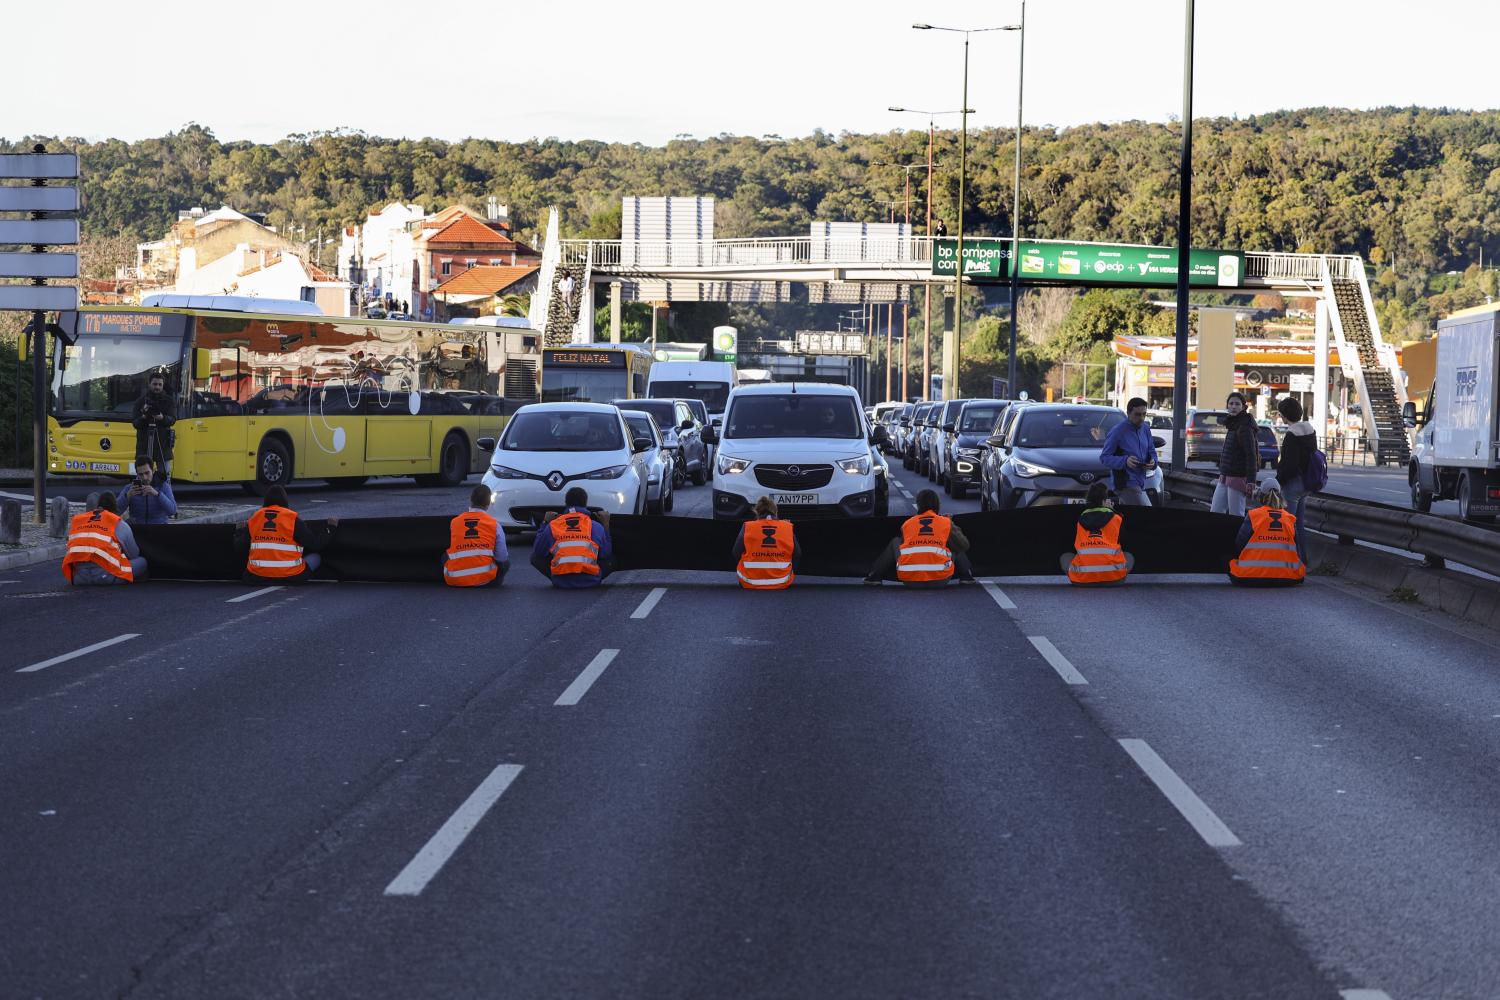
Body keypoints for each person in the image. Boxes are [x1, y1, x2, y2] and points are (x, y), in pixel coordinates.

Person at [863, 489, 975, 586]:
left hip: (909, 579)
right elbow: (964, 545)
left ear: (918, 505)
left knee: (895, 542)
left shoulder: (908, 524)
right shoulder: (945, 522)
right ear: (938, 505)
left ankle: (875, 576)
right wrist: (951, 525)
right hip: (940, 579)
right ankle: (966, 576)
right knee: (952, 541)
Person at [235, 486, 338, 583]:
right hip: (291, 576)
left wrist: (239, 530)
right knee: (316, 557)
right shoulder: (292, 519)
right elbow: (316, 544)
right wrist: (331, 528)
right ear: (285, 500)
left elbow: (240, 547)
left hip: (256, 577)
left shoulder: (255, 518)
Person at [531, 487, 613, 588]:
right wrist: (606, 526)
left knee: (535, 558)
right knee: (611, 558)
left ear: (566, 503)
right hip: (591, 580)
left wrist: (545, 523)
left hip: (560, 582)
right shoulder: (594, 525)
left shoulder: (554, 524)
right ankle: (590, 573)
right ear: (585, 503)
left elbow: (538, 551)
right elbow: (605, 553)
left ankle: (560, 575)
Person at [1229, 481, 1306, 586]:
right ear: (1280, 496)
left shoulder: (1253, 515)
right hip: (1289, 577)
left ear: (1260, 496)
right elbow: (1298, 551)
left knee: (1231, 563)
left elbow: (1239, 544)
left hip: (1250, 576)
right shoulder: (1290, 519)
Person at [62, 492, 147, 585]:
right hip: (105, 577)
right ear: (115, 509)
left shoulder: (78, 520)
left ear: (98, 506)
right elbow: (134, 554)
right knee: (142, 561)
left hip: (79, 578)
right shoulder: (117, 523)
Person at [1061, 482, 1133, 585]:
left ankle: (1085, 576)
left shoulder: (1080, 521)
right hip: (1114, 578)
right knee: (1128, 556)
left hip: (1082, 579)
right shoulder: (1116, 518)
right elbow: (1125, 540)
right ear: (1104, 501)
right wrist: (1112, 510)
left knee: (1065, 556)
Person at [1274, 396, 1318, 565]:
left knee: (1287, 524)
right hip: (1306, 483)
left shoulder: (1292, 435)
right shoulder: (1310, 431)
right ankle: (1302, 559)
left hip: (1292, 484)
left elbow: (1289, 464)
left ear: (1285, 415)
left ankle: (1289, 561)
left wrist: (1279, 480)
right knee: (1299, 524)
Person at [444, 484, 509, 587]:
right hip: (485, 580)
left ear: (471, 500)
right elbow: (502, 557)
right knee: (506, 562)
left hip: (455, 579)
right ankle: (495, 582)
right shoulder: (494, 524)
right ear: (488, 503)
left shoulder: (455, 522)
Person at [1098, 397, 1158, 506]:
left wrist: (1153, 461)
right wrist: (1125, 461)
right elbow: (1104, 458)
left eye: (1144, 414)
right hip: (1125, 484)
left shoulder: (1145, 429)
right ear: (1129, 413)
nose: (1142, 418)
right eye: (1138, 414)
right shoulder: (1118, 431)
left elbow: (1152, 451)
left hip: (1141, 482)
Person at [732, 496, 800, 589]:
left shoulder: (748, 526)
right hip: (782, 581)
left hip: (748, 581)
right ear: (775, 512)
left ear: (757, 512)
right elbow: (797, 553)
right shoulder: (787, 526)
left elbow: (736, 552)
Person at [1211, 391, 1260, 518]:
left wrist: (1251, 481)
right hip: (1225, 475)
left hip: (1238, 478)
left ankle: (1238, 538)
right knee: (1216, 511)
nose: (1233, 406)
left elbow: (1251, 455)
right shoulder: (1233, 423)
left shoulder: (1244, 426)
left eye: (1237, 404)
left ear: (1244, 407)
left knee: (1236, 515)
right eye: (1231, 403)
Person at [132, 370, 177, 478]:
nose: (157, 387)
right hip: (144, 445)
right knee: (143, 476)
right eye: (155, 384)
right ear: (149, 384)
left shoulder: (169, 401)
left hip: (162, 446)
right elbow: (135, 423)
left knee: (164, 477)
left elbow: (173, 420)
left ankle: (163, 495)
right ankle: (142, 494)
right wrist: (144, 417)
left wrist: (162, 417)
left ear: (163, 385)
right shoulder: (140, 402)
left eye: (160, 384)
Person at [116, 456, 177, 525]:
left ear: (153, 471)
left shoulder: (163, 486)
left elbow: (172, 511)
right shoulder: (130, 488)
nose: (144, 477)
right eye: (140, 474)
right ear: (137, 473)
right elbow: (115, 512)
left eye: (147, 473)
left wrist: (157, 494)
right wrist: (127, 496)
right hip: (137, 528)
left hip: (159, 528)